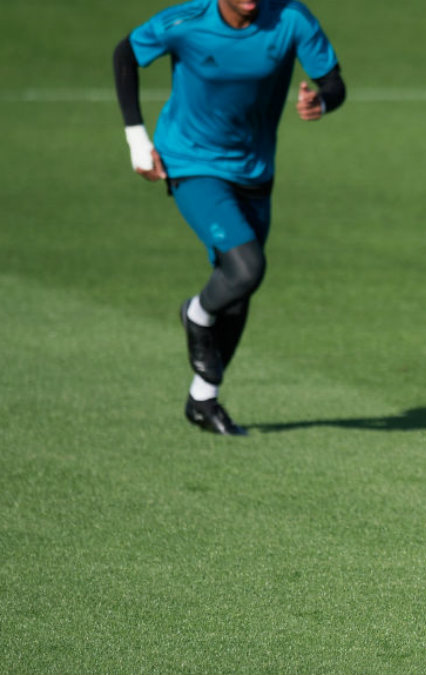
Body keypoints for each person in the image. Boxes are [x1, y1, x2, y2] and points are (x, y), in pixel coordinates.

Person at [112, 0, 346, 435]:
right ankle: (196, 314)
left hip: (255, 172)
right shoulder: (186, 21)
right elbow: (125, 52)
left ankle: (203, 398)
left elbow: (333, 82)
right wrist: (136, 140)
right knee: (246, 267)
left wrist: (322, 102)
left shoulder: (291, 18)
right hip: (192, 163)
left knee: (239, 289)